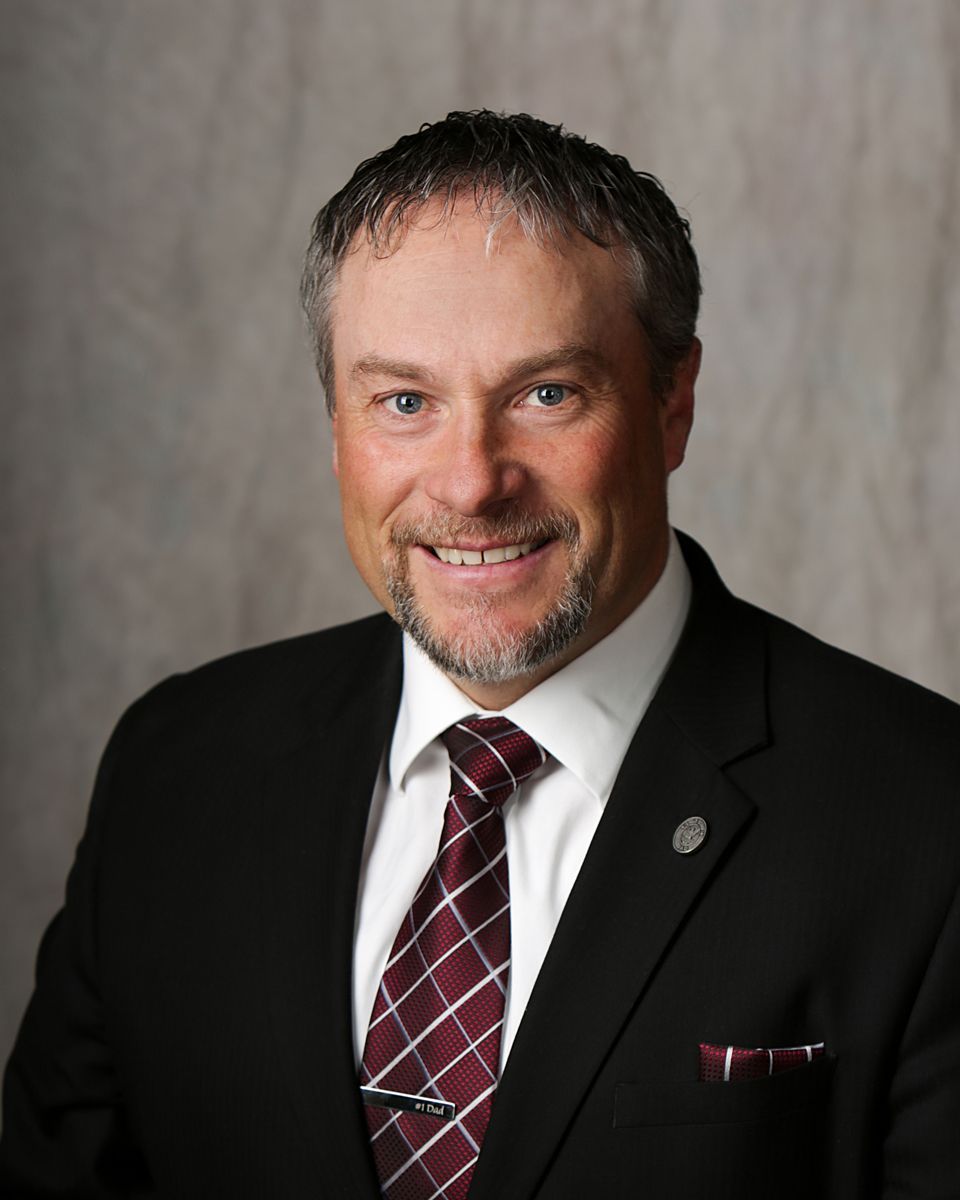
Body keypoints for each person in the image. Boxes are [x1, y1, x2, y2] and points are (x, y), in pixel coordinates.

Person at [1, 110, 958, 1200]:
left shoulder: (926, 820)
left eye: (546, 395)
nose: (470, 482)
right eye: (403, 402)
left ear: (673, 402)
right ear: (335, 424)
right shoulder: (174, 772)